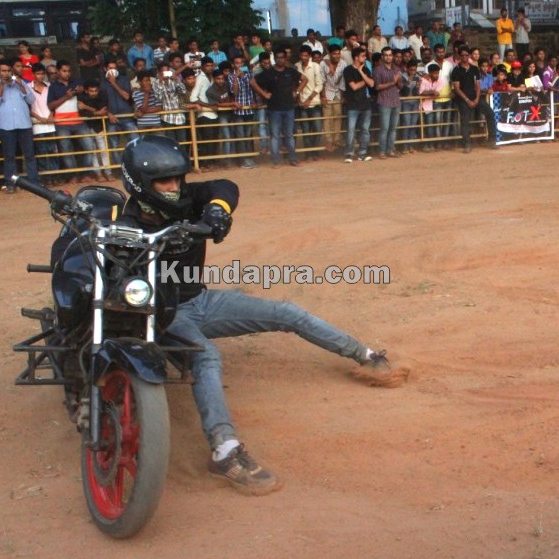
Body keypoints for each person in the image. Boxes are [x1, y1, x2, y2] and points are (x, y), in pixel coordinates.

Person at [109, 135, 398, 495]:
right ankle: (224, 450)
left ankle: (364, 355)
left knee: (286, 312)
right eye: (164, 181)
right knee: (206, 357)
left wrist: (217, 210)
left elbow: (224, 185)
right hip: (164, 314)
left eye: (177, 178)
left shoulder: (187, 199)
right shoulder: (123, 227)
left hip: (201, 300)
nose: (173, 186)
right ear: (140, 183)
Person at [0, 58, 38, 190]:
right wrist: (2, 85)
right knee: (9, 156)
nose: (6, 73)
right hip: (6, 126)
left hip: (24, 123)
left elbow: (31, 99)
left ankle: (34, 183)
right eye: (3, 71)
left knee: (29, 155)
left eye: (8, 70)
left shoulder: (20, 82)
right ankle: (11, 184)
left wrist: (21, 84)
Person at [251, 50, 302, 167]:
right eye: (278, 58)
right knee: (275, 135)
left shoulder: (290, 71)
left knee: (289, 135)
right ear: (275, 58)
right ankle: (276, 161)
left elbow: (304, 79)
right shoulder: (269, 72)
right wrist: (264, 95)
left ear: (285, 59)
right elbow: (253, 82)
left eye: (282, 58)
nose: (280, 60)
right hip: (274, 109)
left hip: (289, 108)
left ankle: (293, 159)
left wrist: (297, 91)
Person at [449, 46, 498, 153]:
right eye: (462, 55)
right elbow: (456, 88)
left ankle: (492, 140)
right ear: (459, 56)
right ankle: (467, 143)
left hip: (475, 97)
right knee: (465, 120)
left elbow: (478, 85)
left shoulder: (474, 69)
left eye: (466, 55)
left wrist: (476, 98)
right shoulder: (456, 70)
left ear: (469, 56)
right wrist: (467, 100)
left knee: (490, 113)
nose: (464, 57)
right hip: (463, 99)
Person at [343, 47, 374, 163]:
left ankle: (362, 153)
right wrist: (365, 80)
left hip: (365, 105)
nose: (365, 58)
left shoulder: (365, 69)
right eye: (363, 56)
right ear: (356, 57)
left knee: (365, 130)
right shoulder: (348, 70)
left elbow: (371, 84)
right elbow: (354, 87)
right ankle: (349, 154)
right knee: (351, 130)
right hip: (352, 105)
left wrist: (361, 72)